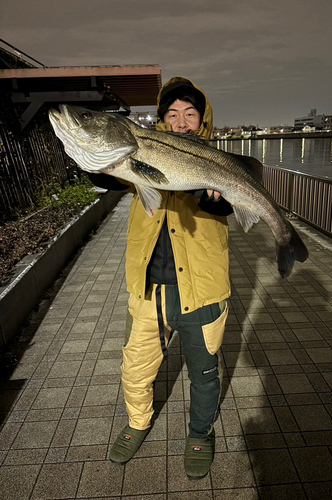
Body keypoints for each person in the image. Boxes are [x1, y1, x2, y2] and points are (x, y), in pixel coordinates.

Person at [88, 77, 233, 479]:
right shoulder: (141, 152)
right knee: (135, 366)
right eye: (172, 114)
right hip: (148, 289)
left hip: (201, 290)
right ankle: (137, 424)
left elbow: (225, 211)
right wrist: (90, 152)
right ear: (162, 119)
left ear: (202, 119)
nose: (182, 121)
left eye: (190, 113)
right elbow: (105, 177)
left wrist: (210, 197)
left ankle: (200, 433)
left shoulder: (214, 159)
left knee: (204, 372)